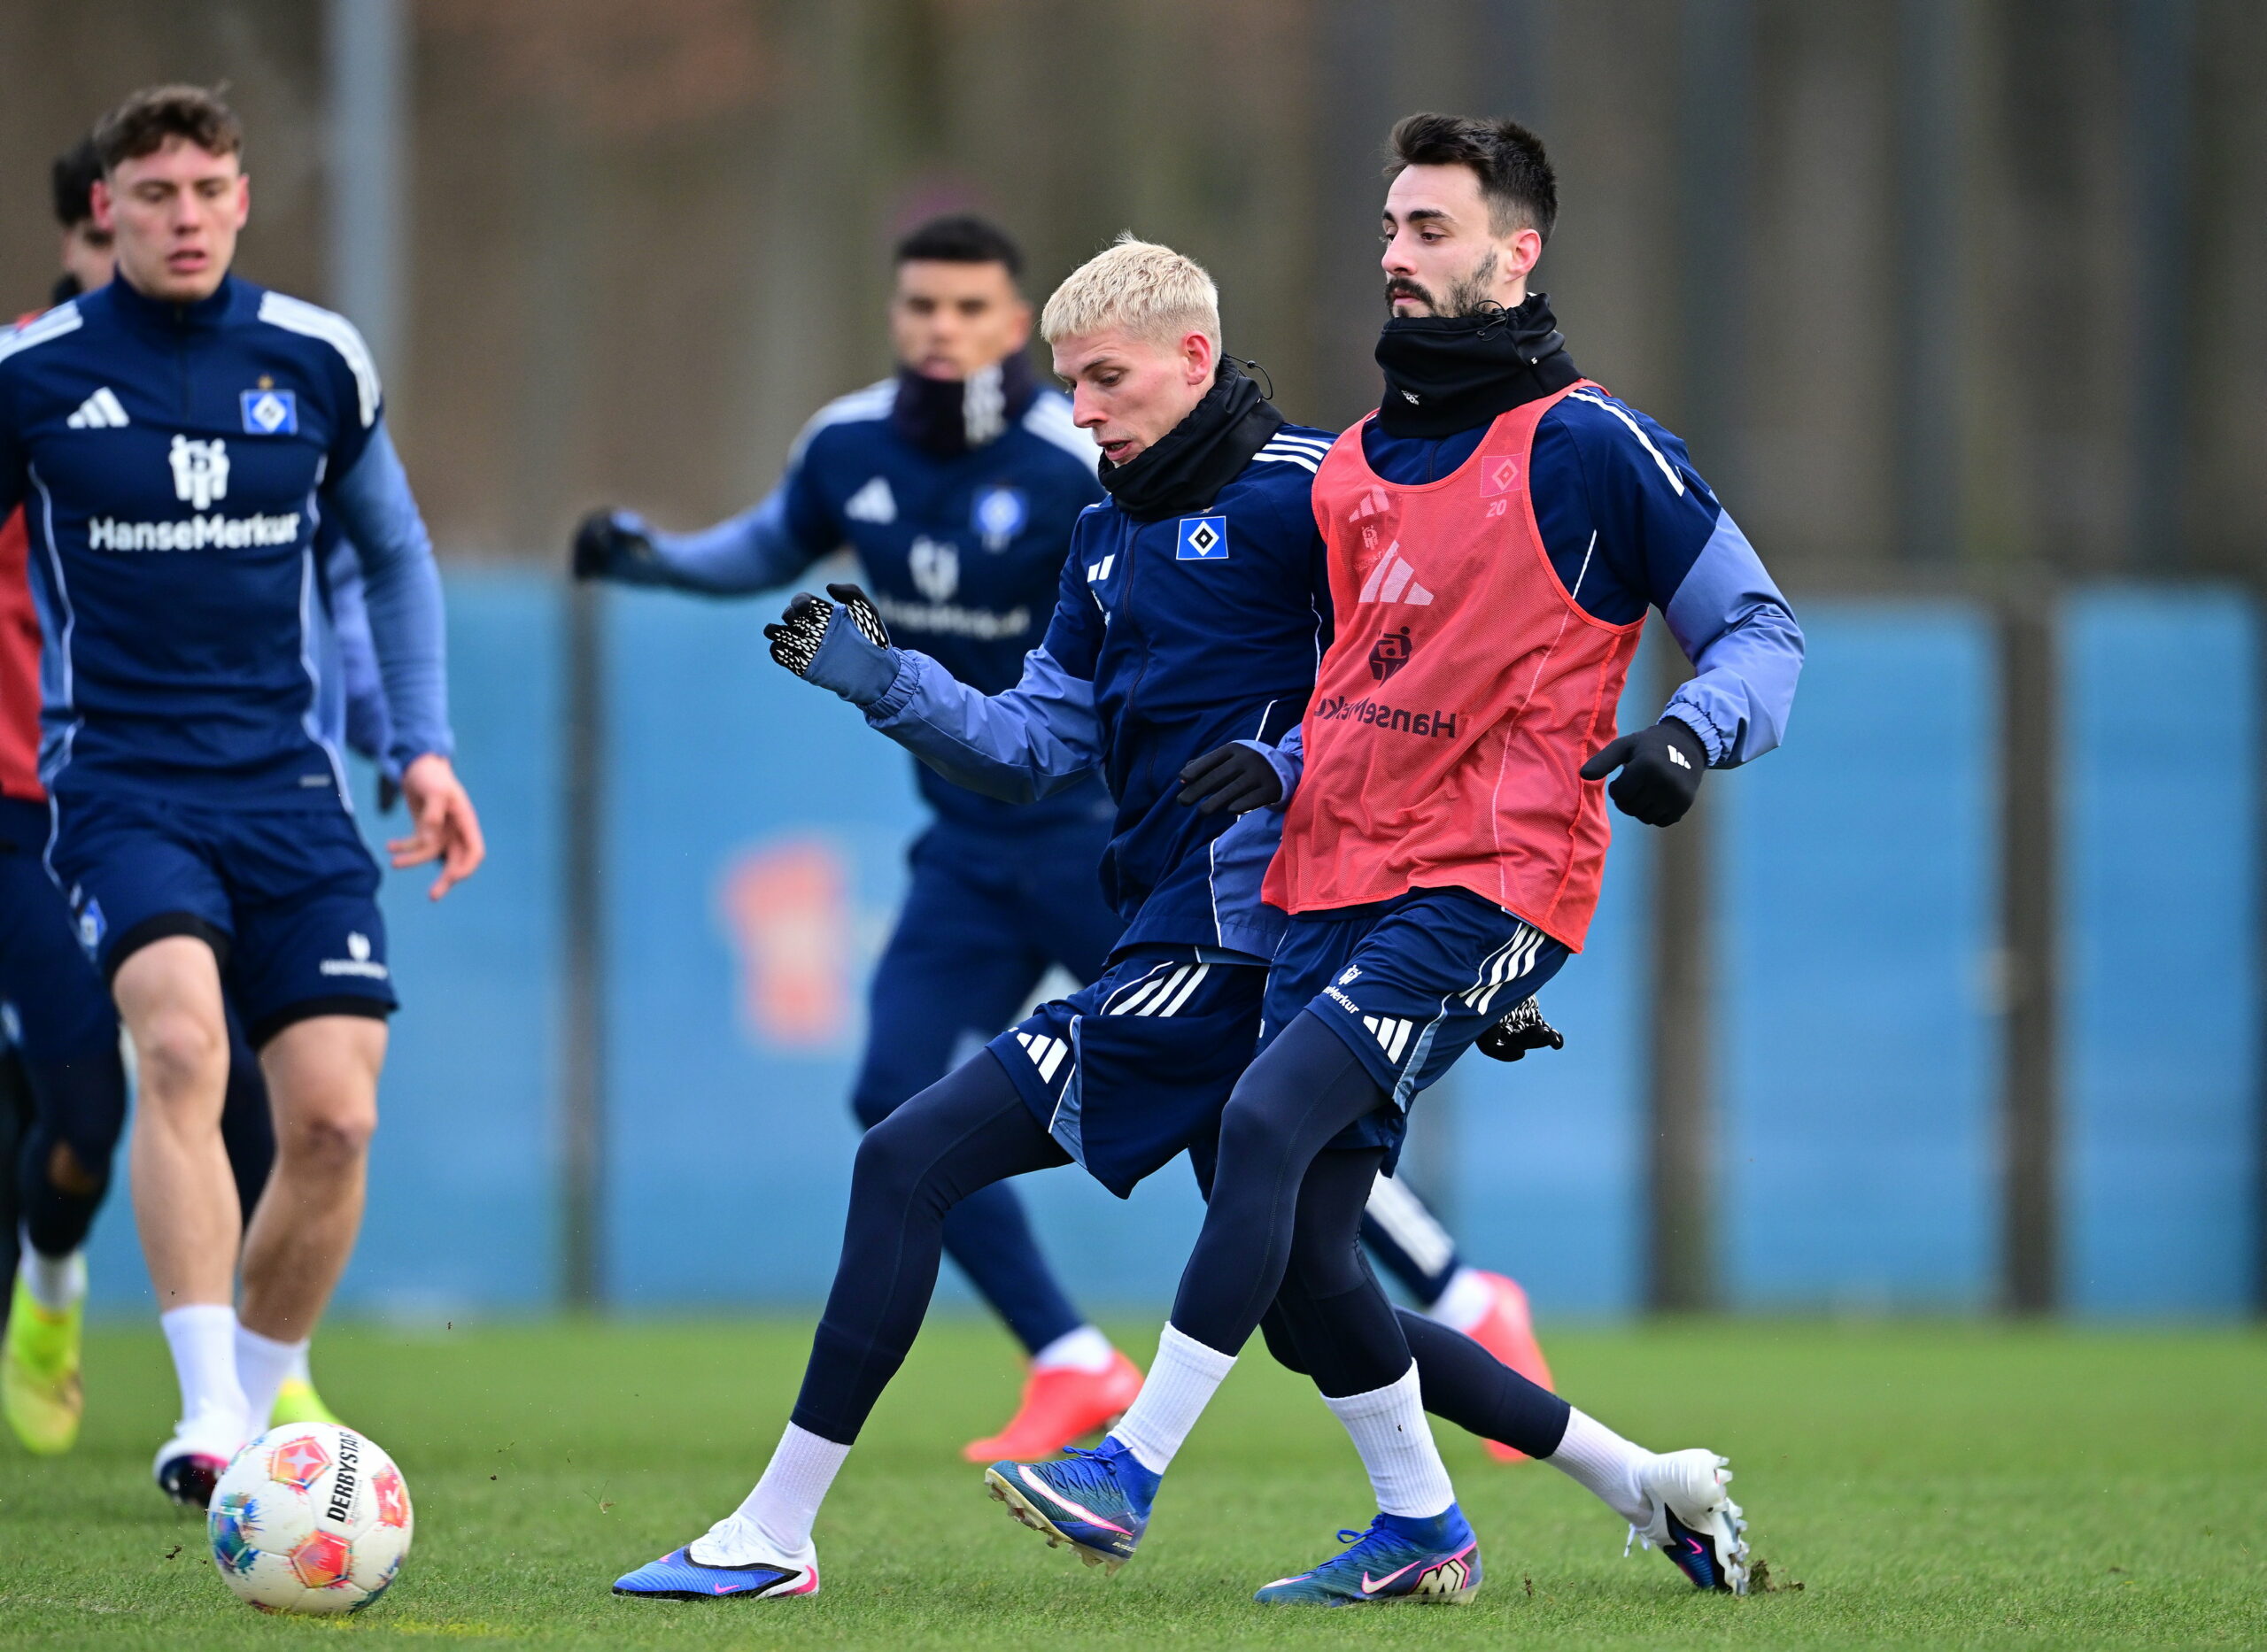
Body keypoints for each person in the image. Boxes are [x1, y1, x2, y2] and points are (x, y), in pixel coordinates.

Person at [610, 238, 1654, 1607]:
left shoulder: (1325, 493)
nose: (1083, 409)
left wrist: (1457, 938)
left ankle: (773, 1529)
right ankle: (1630, 1481)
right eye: (1070, 382)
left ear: (1196, 359)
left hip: (1245, 949)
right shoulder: (1102, 530)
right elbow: (1038, 739)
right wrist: (890, 681)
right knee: (1314, 1295)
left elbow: (1434, 701)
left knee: (907, 1156)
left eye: (1106, 379)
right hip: (1180, 933)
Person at [994, 113, 1804, 1603]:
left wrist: (1690, 734)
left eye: (1432, 227)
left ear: (1519, 248)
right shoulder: (1359, 465)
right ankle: (1578, 1496)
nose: (1397, 254)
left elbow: (1759, 629)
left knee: (1259, 1119)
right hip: (1328, 878)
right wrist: (1284, 762)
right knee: (1310, 1279)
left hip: (1489, 879)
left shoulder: (1594, 445)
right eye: (1390, 226)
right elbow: (1366, 684)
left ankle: (1131, 1464)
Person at [574, 215, 1148, 1461]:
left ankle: (1464, 1302)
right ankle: (1071, 1354)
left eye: (970, 308)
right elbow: (765, 549)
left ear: (1016, 323)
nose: (942, 329)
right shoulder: (846, 444)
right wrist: (654, 559)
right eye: (921, 307)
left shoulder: (1077, 456)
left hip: (1106, 841)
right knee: (893, 1095)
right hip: (967, 851)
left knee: (1259, 1100)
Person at [0, 85, 483, 1506]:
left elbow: (389, 557)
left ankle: (263, 1408)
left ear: (244, 198)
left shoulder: (318, 357)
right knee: (180, 1050)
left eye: (210, 190)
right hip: (119, 787)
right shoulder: (35, 374)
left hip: (290, 789)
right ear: (110, 210)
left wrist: (427, 746)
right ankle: (210, 1411)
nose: (186, 217)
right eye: (155, 196)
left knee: (335, 1119)